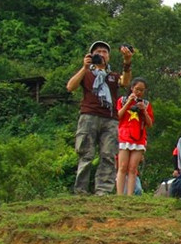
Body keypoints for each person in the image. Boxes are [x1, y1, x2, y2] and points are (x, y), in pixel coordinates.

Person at [66, 40, 133, 195]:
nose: (101, 54)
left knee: (108, 156)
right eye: (98, 52)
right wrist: (84, 67)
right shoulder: (86, 73)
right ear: (91, 55)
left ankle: (103, 191)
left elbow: (126, 82)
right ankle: (81, 190)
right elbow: (70, 86)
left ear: (108, 57)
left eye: (105, 52)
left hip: (110, 119)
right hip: (88, 116)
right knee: (85, 154)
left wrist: (127, 62)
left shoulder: (113, 76)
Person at [115, 77, 154, 196]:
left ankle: (130, 195)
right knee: (122, 166)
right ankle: (120, 194)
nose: (139, 92)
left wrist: (144, 111)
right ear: (132, 88)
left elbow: (150, 123)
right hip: (124, 136)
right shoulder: (122, 100)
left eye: (142, 90)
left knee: (133, 168)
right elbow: (117, 116)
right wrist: (128, 103)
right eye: (137, 89)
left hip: (139, 138)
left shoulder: (146, 104)